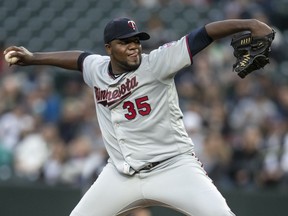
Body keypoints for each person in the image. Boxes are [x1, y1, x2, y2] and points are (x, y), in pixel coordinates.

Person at [3, 17, 273, 216]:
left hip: (174, 167)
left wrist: (249, 23)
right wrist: (34, 57)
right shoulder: (97, 68)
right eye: (125, 42)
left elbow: (203, 34)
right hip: (120, 175)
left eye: (136, 41)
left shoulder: (157, 63)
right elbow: (78, 59)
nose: (134, 47)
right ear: (108, 48)